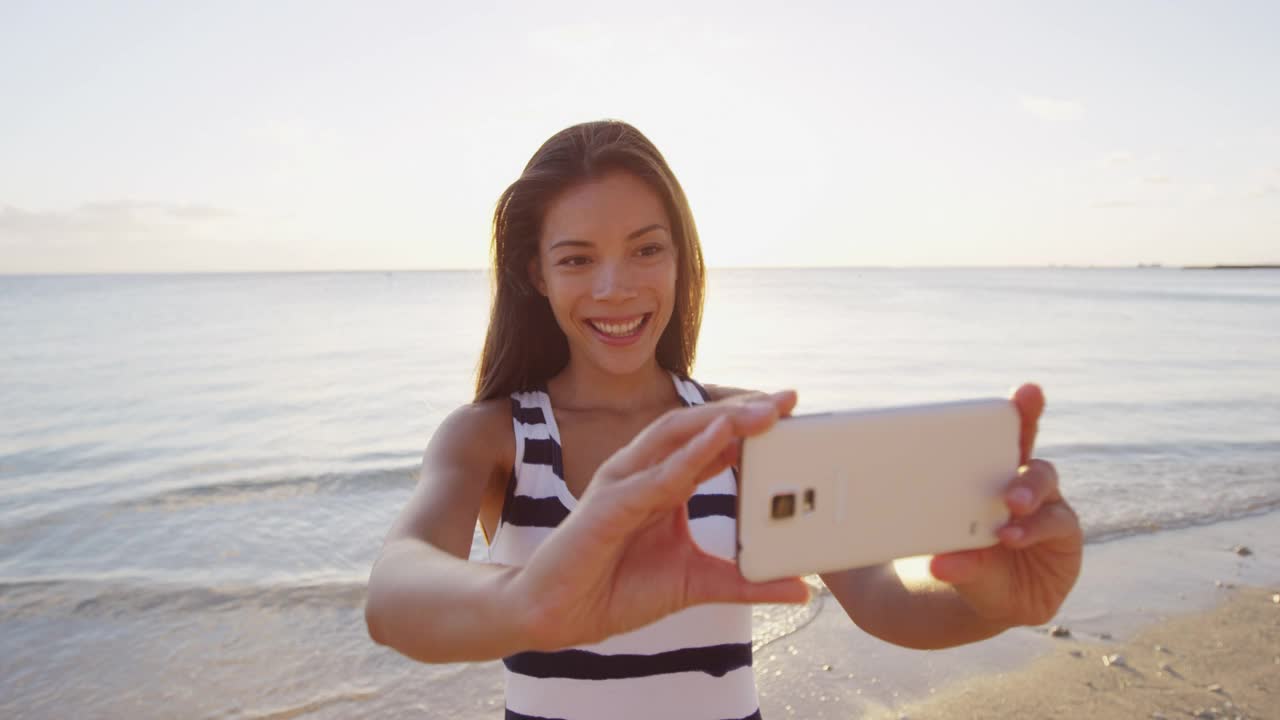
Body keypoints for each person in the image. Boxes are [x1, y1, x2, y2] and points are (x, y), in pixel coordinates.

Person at [365, 120, 1083, 719]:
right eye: (578, 259)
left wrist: (998, 601)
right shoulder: (493, 437)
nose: (615, 288)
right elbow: (395, 593)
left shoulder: (743, 430)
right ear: (537, 274)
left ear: (681, 259)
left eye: (646, 249)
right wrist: (529, 601)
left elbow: (883, 599)